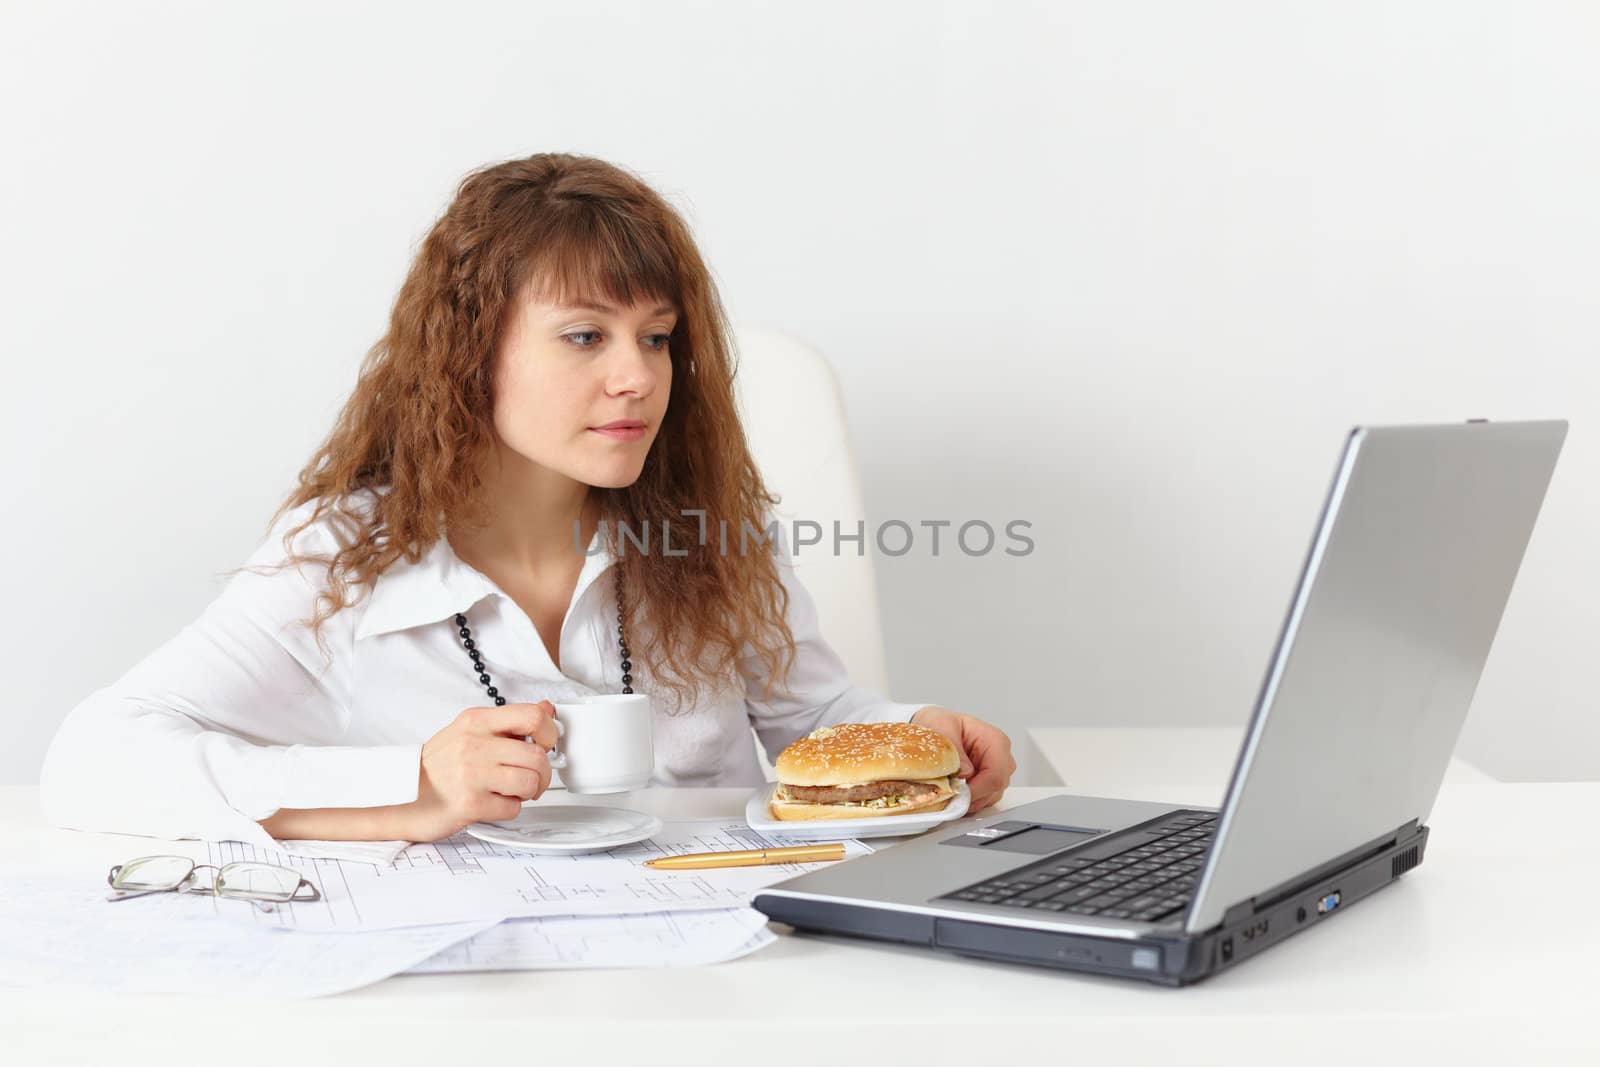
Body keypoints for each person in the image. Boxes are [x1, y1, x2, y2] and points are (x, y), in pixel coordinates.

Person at [38, 152, 1017, 848]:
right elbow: (95, 759)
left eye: (658, 335)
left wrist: (913, 731)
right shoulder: (337, 558)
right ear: (471, 352)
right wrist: (410, 787)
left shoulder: (707, 533)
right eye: (585, 336)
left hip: (727, 985)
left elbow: (814, 723)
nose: (638, 375)